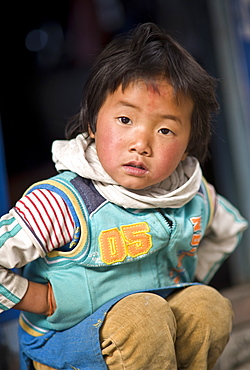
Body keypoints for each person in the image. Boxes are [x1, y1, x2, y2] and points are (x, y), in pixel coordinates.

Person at [0, 22, 248, 370]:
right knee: (142, 318)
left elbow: (227, 229)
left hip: (152, 331)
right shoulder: (62, 204)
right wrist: (41, 298)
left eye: (165, 129)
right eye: (125, 119)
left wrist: (183, 278)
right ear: (93, 122)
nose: (141, 144)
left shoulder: (191, 196)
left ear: (188, 144)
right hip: (68, 343)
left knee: (206, 306)